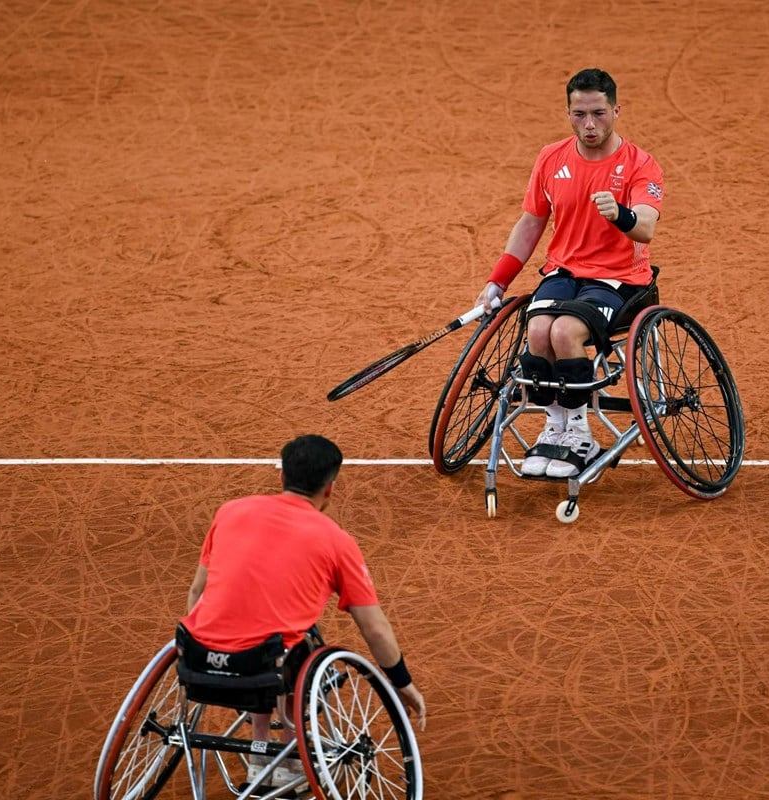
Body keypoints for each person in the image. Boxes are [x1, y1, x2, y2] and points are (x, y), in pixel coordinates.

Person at [179, 434, 426, 794]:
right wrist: (402, 684)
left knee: (267, 635)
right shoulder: (336, 540)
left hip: (197, 663)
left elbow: (196, 593)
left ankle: (259, 756)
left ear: (282, 477)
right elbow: (374, 629)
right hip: (263, 671)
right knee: (301, 642)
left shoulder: (230, 511)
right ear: (330, 489)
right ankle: (289, 759)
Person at [475, 67, 664, 479]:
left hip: (618, 278)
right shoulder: (551, 158)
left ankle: (580, 433)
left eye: (599, 113)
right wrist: (497, 281)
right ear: (568, 113)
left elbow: (646, 227)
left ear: (616, 110)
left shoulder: (640, 165)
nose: (590, 124)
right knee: (539, 329)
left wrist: (621, 215)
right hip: (563, 270)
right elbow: (530, 224)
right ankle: (555, 426)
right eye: (580, 114)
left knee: (564, 333)